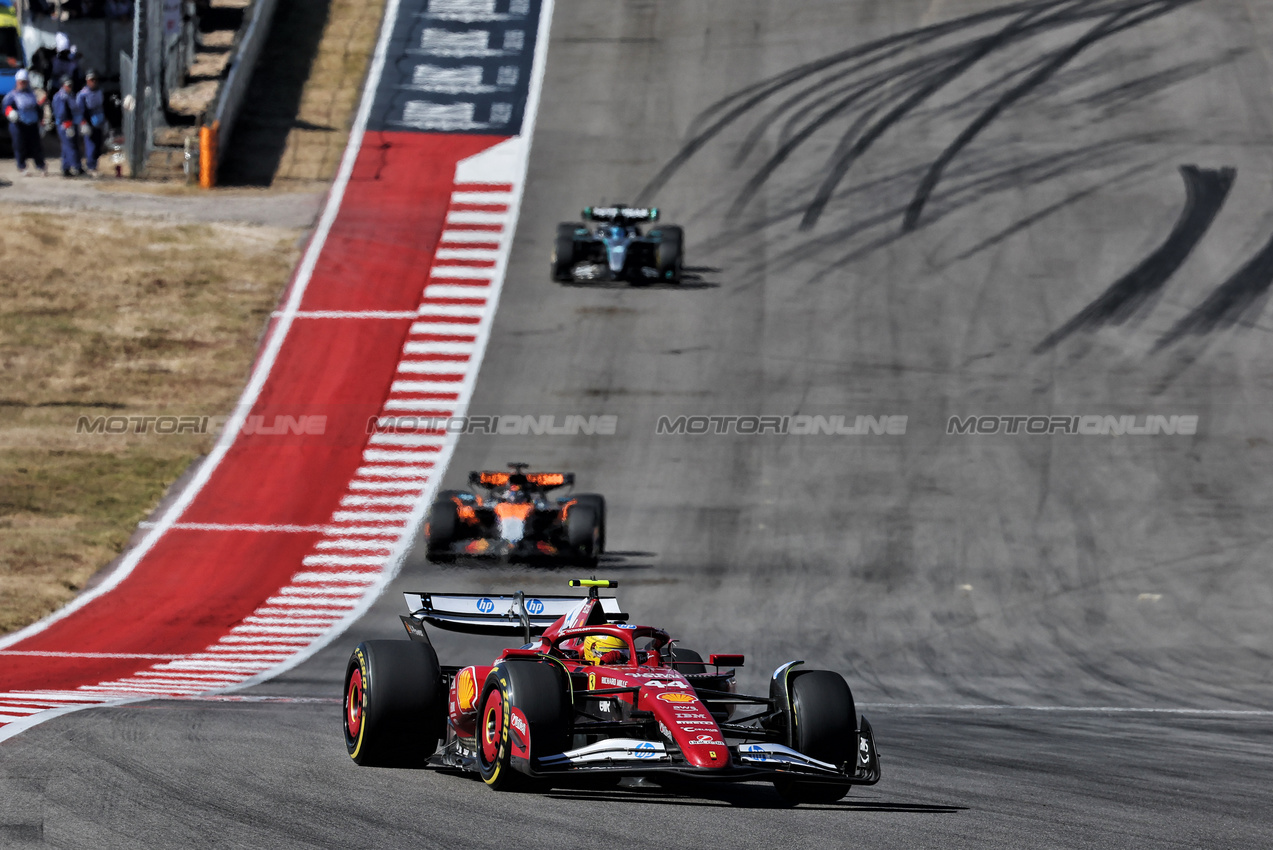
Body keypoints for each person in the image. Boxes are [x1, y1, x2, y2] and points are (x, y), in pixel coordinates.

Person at [2, 70, 47, 176]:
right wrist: (10, 112)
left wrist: (41, 122)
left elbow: (38, 109)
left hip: (32, 124)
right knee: (20, 146)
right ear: (17, 82)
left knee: (36, 146)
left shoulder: (32, 95)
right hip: (18, 125)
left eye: (24, 82)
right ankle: (22, 166)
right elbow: (5, 107)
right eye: (21, 82)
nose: (22, 84)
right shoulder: (12, 95)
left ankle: (40, 165)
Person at [76, 69, 106, 175]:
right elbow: (80, 110)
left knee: (98, 145)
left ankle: (95, 165)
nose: (93, 82)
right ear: (87, 81)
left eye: (95, 80)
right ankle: (91, 166)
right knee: (91, 146)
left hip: (99, 122)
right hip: (89, 123)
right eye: (91, 80)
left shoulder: (99, 92)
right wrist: (83, 123)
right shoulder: (83, 94)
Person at [51, 76, 81, 176]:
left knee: (66, 147)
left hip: (72, 123)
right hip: (65, 125)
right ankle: (77, 167)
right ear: (62, 85)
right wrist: (67, 125)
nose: (70, 87)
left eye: (71, 85)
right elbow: (61, 113)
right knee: (71, 146)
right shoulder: (60, 97)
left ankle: (66, 168)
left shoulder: (71, 95)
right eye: (67, 85)